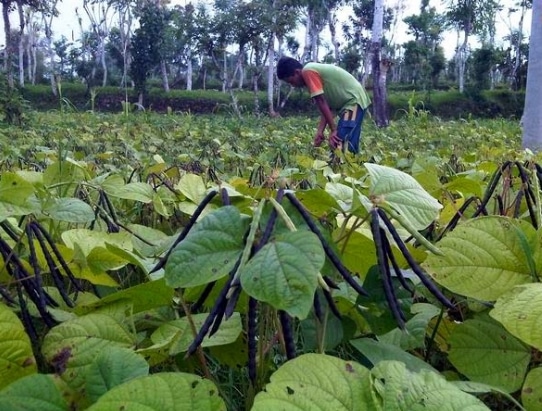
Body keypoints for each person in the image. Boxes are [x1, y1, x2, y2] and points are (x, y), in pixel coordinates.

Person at [276, 56, 371, 154]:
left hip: (353, 101)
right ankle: (353, 164)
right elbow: (326, 107)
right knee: (349, 142)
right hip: (354, 101)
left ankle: (343, 166)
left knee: (340, 142)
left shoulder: (308, 71)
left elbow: (321, 101)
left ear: (297, 72)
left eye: (291, 81)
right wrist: (320, 131)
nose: (293, 85)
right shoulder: (311, 74)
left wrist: (333, 129)